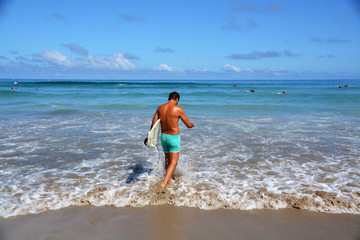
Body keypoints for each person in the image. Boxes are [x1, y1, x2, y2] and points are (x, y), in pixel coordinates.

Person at [150, 92, 194, 189]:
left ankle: (171, 178)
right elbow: (188, 124)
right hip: (173, 137)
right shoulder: (178, 109)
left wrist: (151, 137)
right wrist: (192, 124)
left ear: (169, 98)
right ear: (177, 99)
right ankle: (164, 183)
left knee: (167, 160)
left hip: (164, 137)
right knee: (174, 162)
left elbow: (153, 125)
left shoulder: (160, 108)